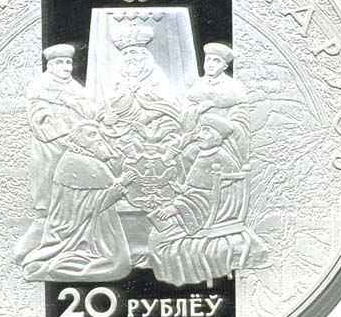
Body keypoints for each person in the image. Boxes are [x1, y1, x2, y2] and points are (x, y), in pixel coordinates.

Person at [148, 113, 268, 287]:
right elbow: (202, 190)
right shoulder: (209, 155)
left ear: (218, 137)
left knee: (158, 236)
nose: (199, 135)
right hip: (206, 210)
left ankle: (171, 281)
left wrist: (176, 207)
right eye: (200, 131)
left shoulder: (216, 158)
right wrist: (183, 191)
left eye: (205, 131)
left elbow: (209, 197)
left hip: (211, 216)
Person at [19, 121, 136, 282]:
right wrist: (121, 184)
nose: (98, 138)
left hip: (87, 227)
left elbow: (97, 193)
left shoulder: (82, 158)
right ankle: (59, 266)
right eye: (92, 135)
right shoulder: (80, 163)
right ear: (80, 140)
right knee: (116, 265)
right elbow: (94, 205)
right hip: (78, 233)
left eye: (98, 134)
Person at [14, 44, 94, 264]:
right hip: (50, 149)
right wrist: (61, 128)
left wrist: (74, 107)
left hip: (75, 148)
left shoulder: (76, 88)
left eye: (68, 62)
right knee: (49, 189)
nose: (66, 67)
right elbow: (38, 117)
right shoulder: (40, 87)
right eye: (60, 62)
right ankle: (44, 230)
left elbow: (89, 112)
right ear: (50, 65)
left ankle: (74, 235)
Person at [184, 42, 249, 166]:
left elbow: (240, 122)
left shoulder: (234, 88)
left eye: (216, 61)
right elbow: (185, 112)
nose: (211, 64)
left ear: (224, 66)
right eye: (208, 59)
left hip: (222, 141)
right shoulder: (197, 85)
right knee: (186, 154)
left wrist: (218, 125)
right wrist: (198, 110)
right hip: (197, 136)